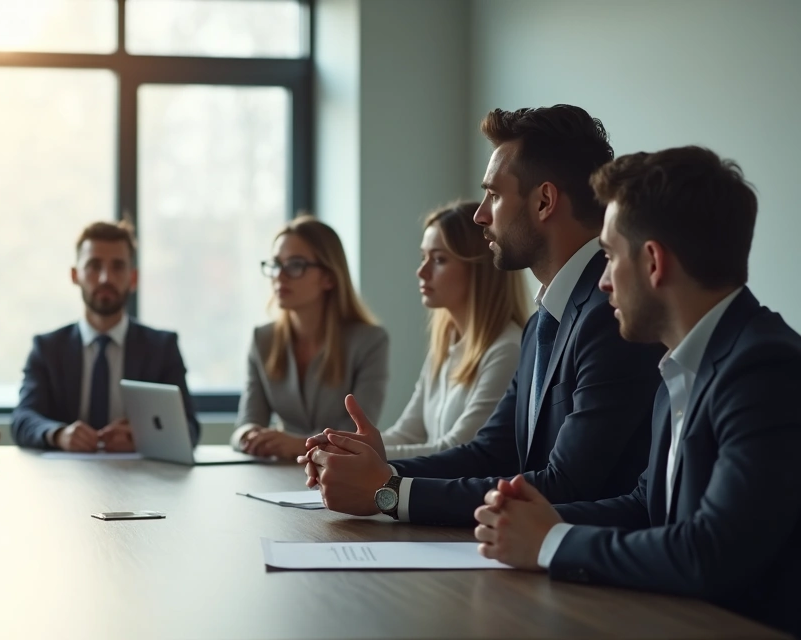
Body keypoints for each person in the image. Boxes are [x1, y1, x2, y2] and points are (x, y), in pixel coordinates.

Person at [475, 146, 801, 637]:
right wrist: (533, 518)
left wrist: (551, 541)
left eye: (608, 256)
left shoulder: (765, 369)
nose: (602, 281)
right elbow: (647, 505)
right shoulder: (681, 360)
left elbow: (711, 553)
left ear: (653, 262)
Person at [303, 105, 664, 526]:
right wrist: (380, 473)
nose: (481, 215)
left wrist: (388, 493)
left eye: (493, 194)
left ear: (544, 201)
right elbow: (492, 452)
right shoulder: (544, 321)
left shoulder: (611, 316)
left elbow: (567, 485)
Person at [11, 221, 200, 451]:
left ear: (133, 278)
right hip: (64, 479)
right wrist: (59, 434)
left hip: (141, 481)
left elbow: (189, 428)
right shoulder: (48, 348)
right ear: (75, 275)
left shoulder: (161, 348)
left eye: (118, 267)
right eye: (94, 265)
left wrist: (141, 437)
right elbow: (22, 419)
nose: (105, 278)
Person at [233, 216, 389, 461]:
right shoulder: (263, 339)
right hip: (280, 472)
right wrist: (250, 437)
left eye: (295, 265)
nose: (280, 276)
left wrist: (297, 445)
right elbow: (247, 422)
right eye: (275, 264)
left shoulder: (369, 341)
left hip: (341, 473)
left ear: (329, 277)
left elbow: (357, 434)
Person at [382, 201, 526, 458]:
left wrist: (362, 459)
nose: (421, 271)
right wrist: (344, 448)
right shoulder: (446, 343)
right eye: (423, 257)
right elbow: (407, 432)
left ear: (479, 269)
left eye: (438, 259)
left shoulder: (507, 350)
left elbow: (457, 450)